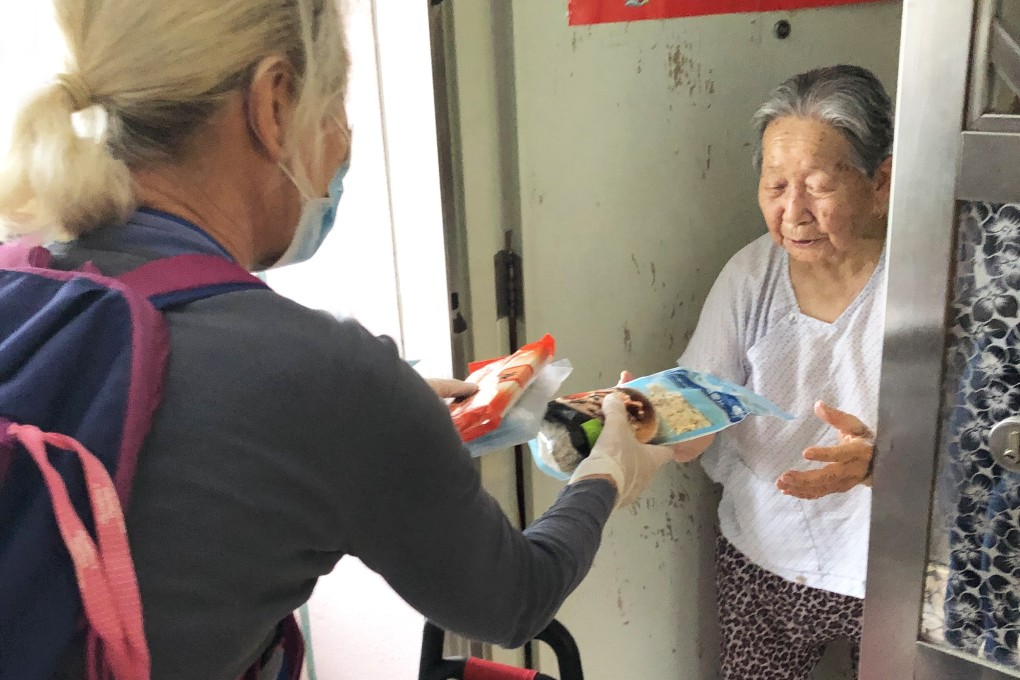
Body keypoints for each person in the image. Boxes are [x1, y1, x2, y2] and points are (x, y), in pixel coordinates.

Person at [0, 2, 674, 678]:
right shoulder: (325, 375)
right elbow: (514, 602)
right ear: (274, 102)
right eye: (335, 104)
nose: (343, 146)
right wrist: (608, 473)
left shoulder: (21, 282)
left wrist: (386, 414)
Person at [669, 65, 890, 679]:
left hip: (892, 567)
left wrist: (880, 463)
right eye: (774, 186)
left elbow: (979, 444)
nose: (793, 213)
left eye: (818, 186)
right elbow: (697, 411)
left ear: (882, 182)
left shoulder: (927, 283)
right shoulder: (750, 276)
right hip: (763, 555)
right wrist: (647, 420)